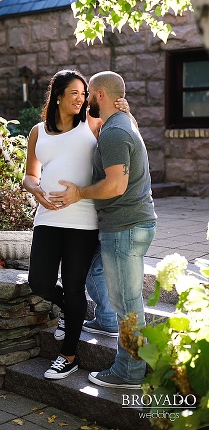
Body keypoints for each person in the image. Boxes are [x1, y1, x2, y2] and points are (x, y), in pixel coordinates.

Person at [51, 71, 156, 390]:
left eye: (88, 94)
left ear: (99, 95)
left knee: (127, 302)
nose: (84, 101)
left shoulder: (114, 132)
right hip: (125, 224)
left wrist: (79, 193)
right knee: (100, 273)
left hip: (124, 227)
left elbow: (115, 185)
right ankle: (106, 321)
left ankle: (129, 371)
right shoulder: (122, 123)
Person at [22, 70, 104, 380]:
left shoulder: (91, 124)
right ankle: (70, 311)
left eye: (84, 94)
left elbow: (127, 134)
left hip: (83, 220)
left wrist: (125, 111)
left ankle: (68, 356)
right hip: (47, 217)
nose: (81, 99)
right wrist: (36, 190)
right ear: (58, 96)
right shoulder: (38, 132)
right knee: (39, 282)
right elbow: (30, 175)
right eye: (75, 93)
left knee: (73, 286)